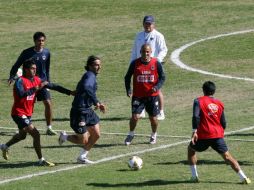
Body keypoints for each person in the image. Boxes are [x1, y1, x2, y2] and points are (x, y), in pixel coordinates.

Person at [8, 31, 73, 136]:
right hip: (29, 83)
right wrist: (11, 76)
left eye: (43, 41)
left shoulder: (46, 53)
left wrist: (48, 82)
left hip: (42, 83)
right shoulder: (27, 53)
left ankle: (49, 128)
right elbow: (17, 64)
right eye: (39, 41)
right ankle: (22, 126)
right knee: (25, 105)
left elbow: (47, 69)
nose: (41, 43)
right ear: (34, 41)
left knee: (48, 103)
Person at [187, 81, 251, 184]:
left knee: (191, 150)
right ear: (214, 91)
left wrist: (194, 131)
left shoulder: (198, 101)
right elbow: (223, 122)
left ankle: (194, 177)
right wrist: (221, 132)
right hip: (217, 135)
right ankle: (244, 178)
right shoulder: (219, 103)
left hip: (203, 135)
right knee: (227, 156)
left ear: (203, 90)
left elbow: (196, 116)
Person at [0, 59, 55, 166]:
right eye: (32, 68)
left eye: (35, 68)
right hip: (18, 113)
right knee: (36, 134)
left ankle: (4, 146)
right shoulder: (20, 81)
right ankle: (41, 160)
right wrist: (35, 88)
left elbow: (53, 86)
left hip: (27, 113)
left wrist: (70, 92)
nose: (35, 70)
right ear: (25, 69)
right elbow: (21, 94)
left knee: (22, 136)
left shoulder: (36, 79)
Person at [58, 55, 106, 164]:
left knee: (96, 135)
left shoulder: (91, 75)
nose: (99, 67)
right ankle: (65, 137)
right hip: (79, 111)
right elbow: (86, 87)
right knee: (83, 140)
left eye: (99, 65)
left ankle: (82, 157)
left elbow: (86, 90)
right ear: (89, 66)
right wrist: (97, 102)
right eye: (96, 65)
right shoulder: (90, 75)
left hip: (88, 110)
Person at [124, 44, 165, 145]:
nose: (145, 53)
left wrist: (157, 87)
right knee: (134, 117)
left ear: (151, 52)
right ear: (140, 52)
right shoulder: (135, 63)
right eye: (143, 51)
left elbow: (162, 77)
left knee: (153, 118)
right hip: (138, 96)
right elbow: (127, 77)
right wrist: (128, 89)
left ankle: (153, 134)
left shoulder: (156, 63)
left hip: (152, 96)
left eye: (147, 52)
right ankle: (131, 134)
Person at [130, 15, 168, 120]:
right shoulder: (139, 36)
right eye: (146, 23)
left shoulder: (158, 36)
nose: (148, 25)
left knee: (156, 88)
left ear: (153, 24)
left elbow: (164, 50)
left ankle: (161, 111)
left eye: (150, 24)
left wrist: (157, 61)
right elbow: (134, 50)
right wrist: (132, 64)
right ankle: (141, 110)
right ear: (143, 24)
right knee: (140, 87)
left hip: (153, 66)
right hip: (140, 66)